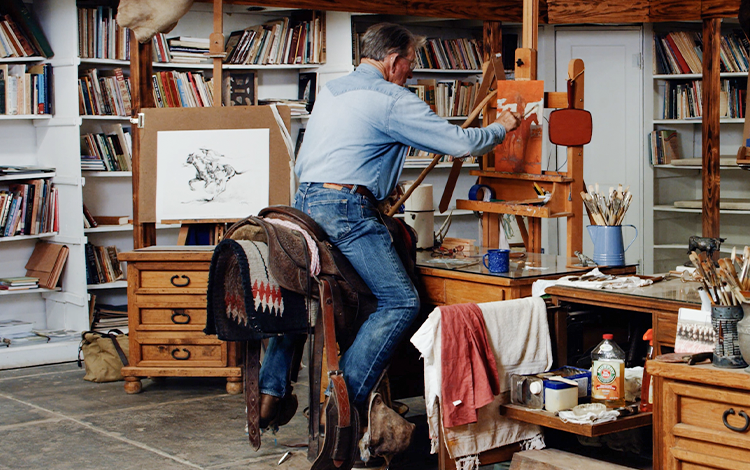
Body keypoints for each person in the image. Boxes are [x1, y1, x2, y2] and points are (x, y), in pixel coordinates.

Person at [258, 22, 521, 428]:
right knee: (401, 301)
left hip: (303, 202)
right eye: (410, 62)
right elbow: (462, 144)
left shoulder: (331, 90)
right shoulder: (391, 98)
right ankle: (342, 402)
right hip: (344, 208)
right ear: (394, 60)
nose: (411, 72)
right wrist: (504, 126)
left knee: (303, 291)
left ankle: (271, 389)